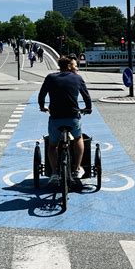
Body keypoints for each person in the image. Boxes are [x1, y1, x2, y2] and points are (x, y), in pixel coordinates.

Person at [38, 55, 92, 185]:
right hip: (72, 117)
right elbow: (86, 97)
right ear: (69, 66)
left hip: (56, 117)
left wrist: (42, 107)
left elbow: (41, 95)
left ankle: (55, 173)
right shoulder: (77, 78)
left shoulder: (50, 78)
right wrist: (88, 108)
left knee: (52, 145)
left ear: (59, 67)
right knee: (78, 138)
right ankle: (77, 168)